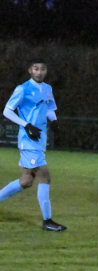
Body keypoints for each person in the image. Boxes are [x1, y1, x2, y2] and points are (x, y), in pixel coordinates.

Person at [0, 58, 66, 231]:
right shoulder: (22, 89)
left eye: (42, 69)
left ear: (46, 71)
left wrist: (54, 121)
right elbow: (7, 110)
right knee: (44, 176)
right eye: (36, 69)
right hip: (28, 140)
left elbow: (50, 108)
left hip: (40, 140)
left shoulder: (47, 89)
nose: (39, 72)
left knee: (26, 180)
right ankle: (47, 221)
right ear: (30, 70)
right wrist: (26, 125)